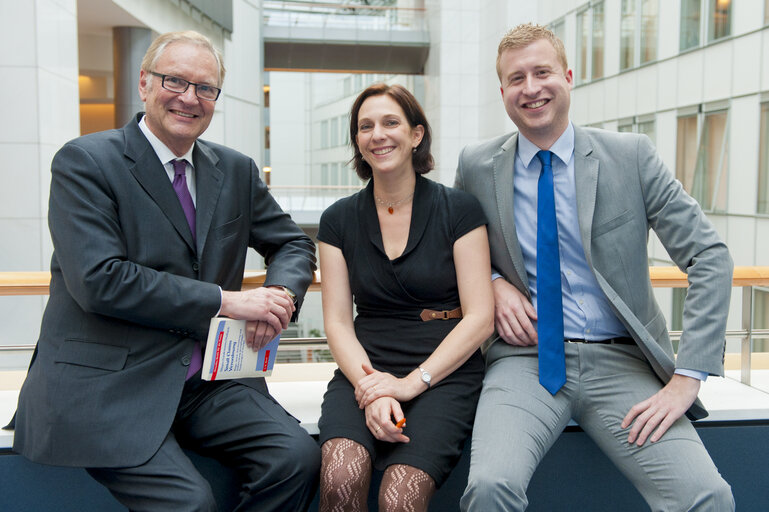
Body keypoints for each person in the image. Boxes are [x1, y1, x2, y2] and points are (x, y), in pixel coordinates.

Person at [8, 30, 320, 511]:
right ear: (144, 83)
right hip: (110, 384)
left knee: (296, 457)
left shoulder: (234, 170)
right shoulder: (86, 161)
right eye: (175, 81)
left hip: (205, 381)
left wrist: (278, 294)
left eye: (205, 88)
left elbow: (293, 242)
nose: (190, 98)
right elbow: (99, 280)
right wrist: (227, 300)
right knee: (190, 504)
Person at [455, 23, 735, 511]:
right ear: (502, 92)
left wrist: (688, 376)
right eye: (516, 78)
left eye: (542, 72)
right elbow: (451, 254)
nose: (531, 88)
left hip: (623, 362)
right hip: (524, 361)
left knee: (707, 497)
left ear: (567, 76)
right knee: (489, 488)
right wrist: (494, 282)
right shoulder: (477, 166)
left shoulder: (631, 157)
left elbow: (710, 256)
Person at [316, 83, 494, 512]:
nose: (378, 134)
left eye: (390, 122)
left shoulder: (460, 210)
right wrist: (374, 389)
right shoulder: (337, 220)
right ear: (358, 142)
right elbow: (338, 322)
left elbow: (481, 318)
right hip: (366, 368)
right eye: (366, 126)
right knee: (341, 475)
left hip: (443, 372)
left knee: (401, 496)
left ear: (416, 135)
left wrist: (411, 383)